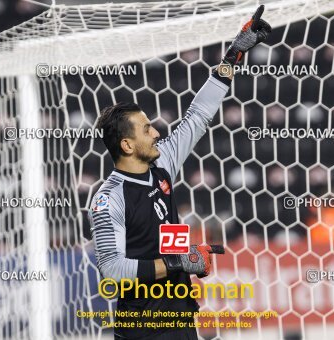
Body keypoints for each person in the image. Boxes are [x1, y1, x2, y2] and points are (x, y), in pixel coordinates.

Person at [88, 5, 271, 340]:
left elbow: (198, 115)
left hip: (182, 319)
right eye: (146, 130)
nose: (157, 132)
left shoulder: (161, 165)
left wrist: (234, 54)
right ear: (127, 146)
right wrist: (177, 264)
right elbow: (112, 273)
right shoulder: (108, 199)